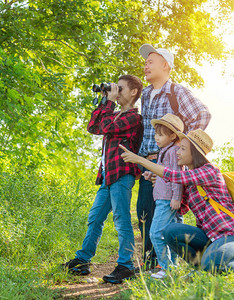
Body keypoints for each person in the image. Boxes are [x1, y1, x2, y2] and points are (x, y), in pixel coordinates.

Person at [120, 129, 234, 279]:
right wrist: (158, 181)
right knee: (170, 231)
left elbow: (174, 175)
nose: (177, 153)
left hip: (231, 236)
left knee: (211, 264)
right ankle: (201, 268)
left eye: (182, 149)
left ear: (194, 153)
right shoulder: (190, 183)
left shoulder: (210, 171)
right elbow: (179, 207)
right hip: (209, 237)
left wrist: (140, 160)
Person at [62, 75, 144, 284]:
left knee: (121, 219)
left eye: (121, 88)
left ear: (134, 92)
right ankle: (82, 261)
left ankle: (125, 265)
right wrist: (104, 100)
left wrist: (108, 102)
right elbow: (93, 126)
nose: (117, 91)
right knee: (95, 217)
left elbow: (106, 128)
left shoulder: (134, 117)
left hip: (122, 175)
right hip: (107, 176)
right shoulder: (114, 114)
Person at [136, 45, 211, 270]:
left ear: (165, 65)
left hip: (169, 164)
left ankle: (164, 266)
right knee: (144, 211)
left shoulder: (176, 91)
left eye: (151, 61)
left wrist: (183, 146)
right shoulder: (146, 94)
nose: (146, 65)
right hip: (149, 162)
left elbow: (203, 114)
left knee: (163, 213)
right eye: (145, 62)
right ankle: (157, 263)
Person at [141, 113, 185, 279]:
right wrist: (150, 174)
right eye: (155, 134)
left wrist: (176, 197)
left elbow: (177, 175)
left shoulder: (173, 151)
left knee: (155, 233)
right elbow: (163, 174)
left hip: (167, 200)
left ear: (173, 136)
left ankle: (166, 268)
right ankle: (173, 268)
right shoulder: (164, 151)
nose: (156, 138)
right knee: (170, 234)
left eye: (160, 134)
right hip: (163, 198)